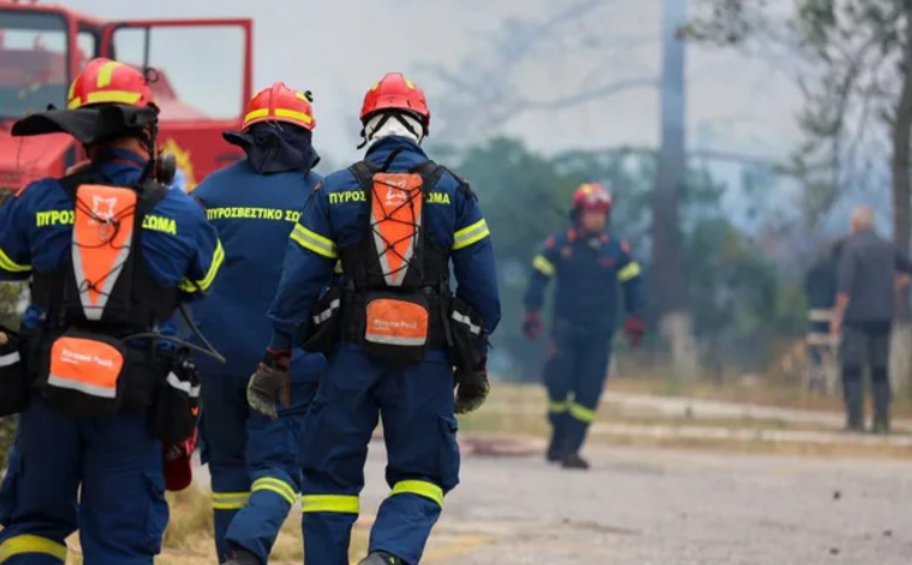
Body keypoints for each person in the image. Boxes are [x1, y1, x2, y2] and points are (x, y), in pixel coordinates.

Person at [247, 72, 501, 565]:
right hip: (425, 363)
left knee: (328, 479)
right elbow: (483, 298)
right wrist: (475, 364)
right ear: (420, 126)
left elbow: (296, 287)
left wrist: (278, 354)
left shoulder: (334, 191)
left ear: (368, 126)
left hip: (348, 357)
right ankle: (387, 555)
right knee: (423, 475)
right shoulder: (455, 192)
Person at [0, 58, 222, 564]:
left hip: (47, 393)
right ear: (147, 131)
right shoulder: (180, 212)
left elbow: (5, 259)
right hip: (134, 404)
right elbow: (204, 279)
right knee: (121, 544)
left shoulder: (40, 200)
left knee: (31, 527)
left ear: (83, 134)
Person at [190, 82, 325, 565]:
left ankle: (232, 557)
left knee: (227, 470)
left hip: (214, 356)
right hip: (288, 362)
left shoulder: (208, 191)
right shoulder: (319, 196)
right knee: (279, 467)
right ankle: (247, 546)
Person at [522, 183, 645, 470]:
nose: (597, 218)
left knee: (588, 393)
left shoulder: (617, 250)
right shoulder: (559, 246)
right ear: (578, 214)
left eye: (602, 213)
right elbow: (539, 279)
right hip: (566, 328)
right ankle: (559, 432)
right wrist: (532, 311)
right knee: (558, 385)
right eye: (591, 213)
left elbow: (633, 284)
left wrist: (635, 317)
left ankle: (571, 449)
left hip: (600, 333)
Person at [831, 206, 912, 433]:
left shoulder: (852, 248)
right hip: (883, 317)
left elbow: (844, 290)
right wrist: (896, 285)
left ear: (856, 225)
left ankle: (855, 421)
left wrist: (837, 317)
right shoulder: (889, 247)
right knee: (880, 371)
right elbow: (908, 270)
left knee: (853, 370)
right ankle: (882, 421)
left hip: (856, 319)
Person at [804, 241, 842, 393]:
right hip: (834, 317)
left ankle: (816, 380)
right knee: (835, 350)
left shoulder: (815, 268)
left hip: (815, 312)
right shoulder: (841, 271)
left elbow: (807, 288)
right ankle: (834, 382)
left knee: (816, 348)